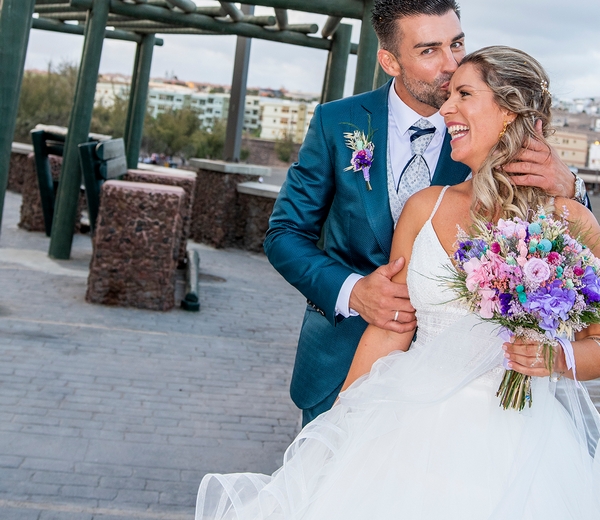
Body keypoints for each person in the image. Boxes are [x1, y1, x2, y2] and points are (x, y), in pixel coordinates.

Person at [196, 46, 600, 520]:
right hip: (403, 427)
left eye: (464, 95)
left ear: (509, 112)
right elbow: (392, 325)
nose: (446, 108)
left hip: (517, 443)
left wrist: (556, 357)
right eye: (449, 95)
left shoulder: (570, 223)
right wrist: (336, 426)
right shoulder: (424, 207)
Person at [264, 0, 589, 424]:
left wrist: (570, 188)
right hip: (346, 356)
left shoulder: (484, 132)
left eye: (456, 43)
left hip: (483, 390)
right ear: (390, 61)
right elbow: (285, 234)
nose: (451, 65)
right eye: (429, 50)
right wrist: (354, 292)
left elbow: (559, 234)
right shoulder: (335, 122)